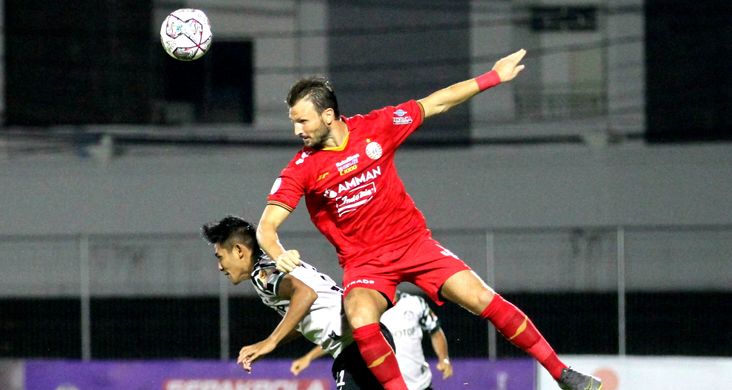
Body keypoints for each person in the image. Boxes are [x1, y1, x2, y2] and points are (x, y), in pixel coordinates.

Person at [256, 49, 602, 390]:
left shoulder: (377, 127)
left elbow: (436, 102)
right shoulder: (301, 169)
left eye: (303, 120)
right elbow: (267, 227)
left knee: (482, 298)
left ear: (328, 115)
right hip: (366, 264)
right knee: (361, 321)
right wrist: (278, 252)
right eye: (294, 122)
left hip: (413, 244)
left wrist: (493, 77)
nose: (297, 130)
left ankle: (562, 374)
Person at [202, 215, 395, 389]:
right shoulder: (271, 264)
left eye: (220, 257)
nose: (220, 267)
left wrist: (270, 341)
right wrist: (271, 344)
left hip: (357, 346)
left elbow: (305, 294)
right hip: (364, 337)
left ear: (238, 251)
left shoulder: (262, 274)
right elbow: (303, 311)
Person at [292, 290, 452, 390]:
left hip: (421, 385)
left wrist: (443, 358)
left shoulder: (415, 303)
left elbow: (435, 331)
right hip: (383, 384)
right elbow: (343, 338)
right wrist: (308, 357)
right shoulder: (365, 311)